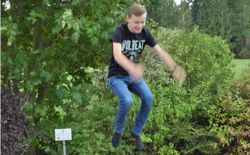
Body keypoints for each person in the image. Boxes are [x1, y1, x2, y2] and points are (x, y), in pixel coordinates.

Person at [108, 3, 186, 151]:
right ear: (128, 19)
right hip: (117, 77)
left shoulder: (145, 33)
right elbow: (117, 55)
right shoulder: (119, 32)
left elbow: (160, 52)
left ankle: (136, 132)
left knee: (149, 98)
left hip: (134, 78)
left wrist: (175, 68)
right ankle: (118, 131)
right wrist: (132, 68)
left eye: (143, 22)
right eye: (136, 22)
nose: (140, 26)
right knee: (127, 100)